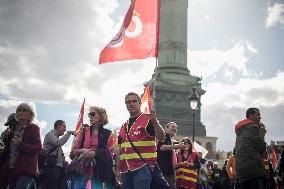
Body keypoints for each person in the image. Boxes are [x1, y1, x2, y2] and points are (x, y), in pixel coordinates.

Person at [117, 92, 166, 189]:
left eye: (134, 101)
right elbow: (120, 151)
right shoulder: (124, 126)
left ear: (140, 103)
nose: (131, 103)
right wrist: (118, 170)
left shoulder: (148, 120)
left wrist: (155, 122)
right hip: (125, 170)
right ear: (126, 105)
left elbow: (162, 137)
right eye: (128, 102)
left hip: (142, 168)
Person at [72, 106, 117, 189]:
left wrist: (96, 153)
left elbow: (111, 154)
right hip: (82, 171)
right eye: (89, 114)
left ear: (100, 116)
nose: (89, 116)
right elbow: (74, 151)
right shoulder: (84, 131)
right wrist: (82, 150)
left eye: (92, 114)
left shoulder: (109, 134)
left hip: (100, 172)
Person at [0, 103, 42, 189]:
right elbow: (8, 148)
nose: (21, 112)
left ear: (30, 114)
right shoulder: (13, 128)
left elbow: (38, 148)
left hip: (25, 169)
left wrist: (21, 145)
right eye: (19, 110)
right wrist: (5, 138)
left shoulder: (34, 128)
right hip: (11, 168)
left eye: (24, 110)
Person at [234, 107, 267, 189]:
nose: (260, 117)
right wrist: (262, 133)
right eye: (258, 115)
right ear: (251, 115)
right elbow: (262, 147)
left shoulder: (240, 130)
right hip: (254, 170)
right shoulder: (252, 128)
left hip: (242, 172)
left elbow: (235, 151)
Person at [42, 120, 75, 189]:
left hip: (57, 168)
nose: (65, 129)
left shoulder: (55, 137)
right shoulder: (50, 134)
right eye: (64, 127)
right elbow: (59, 143)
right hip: (51, 168)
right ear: (59, 126)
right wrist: (68, 133)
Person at [157, 122, 186, 189]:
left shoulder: (168, 139)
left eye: (176, 128)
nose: (175, 129)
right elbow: (161, 147)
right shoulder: (164, 136)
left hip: (168, 172)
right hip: (165, 172)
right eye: (173, 126)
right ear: (166, 128)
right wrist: (177, 146)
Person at [0, 113, 19, 189]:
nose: (10, 126)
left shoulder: (23, 133)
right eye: (10, 124)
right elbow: (2, 146)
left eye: (13, 123)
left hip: (16, 165)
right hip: (5, 163)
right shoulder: (5, 133)